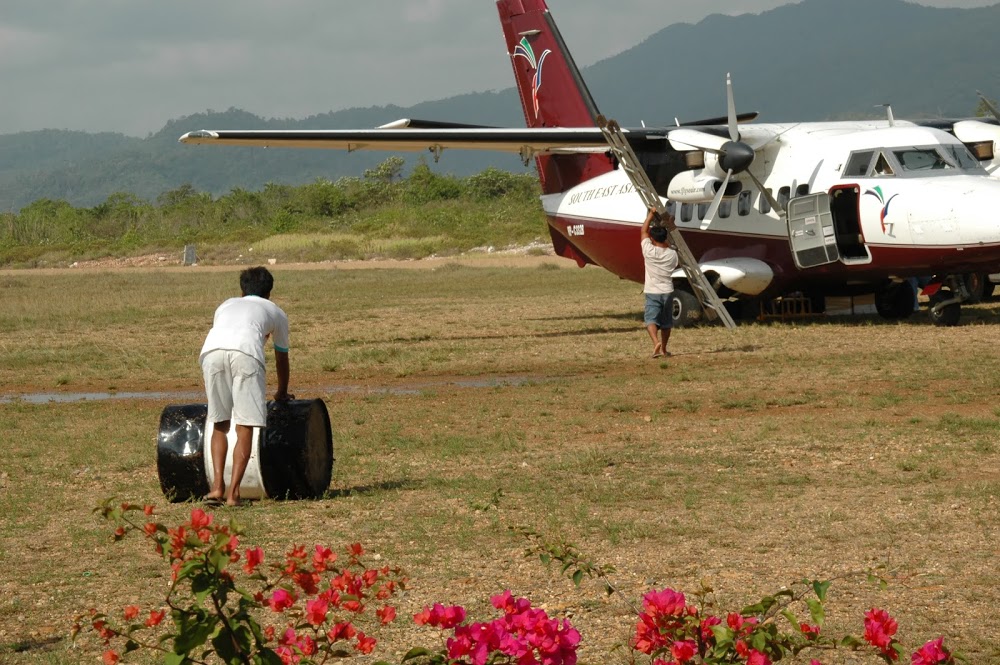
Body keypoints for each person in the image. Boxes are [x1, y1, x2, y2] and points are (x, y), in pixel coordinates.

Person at [200, 266, 292, 506]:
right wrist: (282, 392)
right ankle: (234, 494)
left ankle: (216, 488)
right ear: (269, 293)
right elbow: (281, 356)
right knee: (245, 425)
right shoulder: (276, 312)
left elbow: (233, 330)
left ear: (242, 291)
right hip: (247, 354)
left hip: (211, 352)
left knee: (219, 422)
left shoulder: (225, 305)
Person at [640, 207, 679, 358]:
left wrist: (650, 216)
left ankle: (655, 342)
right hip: (667, 291)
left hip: (652, 291)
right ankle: (664, 348)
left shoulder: (648, 251)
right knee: (666, 322)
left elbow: (643, 232)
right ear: (665, 238)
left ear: (652, 239)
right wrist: (669, 226)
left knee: (651, 320)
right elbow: (669, 246)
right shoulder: (672, 255)